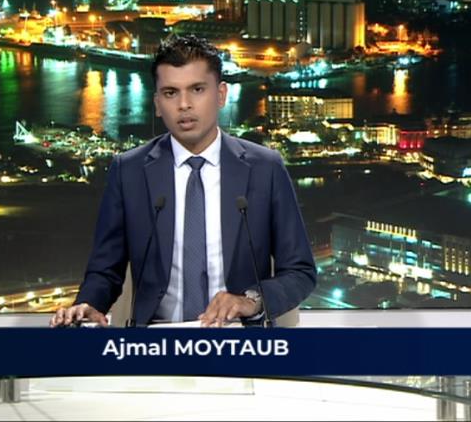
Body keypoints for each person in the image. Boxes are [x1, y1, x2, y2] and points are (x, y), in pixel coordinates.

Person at [50, 35, 316, 328]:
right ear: (157, 103)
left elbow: (300, 272)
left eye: (197, 89)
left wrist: (250, 301)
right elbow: (105, 271)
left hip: (241, 340)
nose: (184, 104)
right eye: (170, 93)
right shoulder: (129, 171)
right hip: (155, 343)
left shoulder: (265, 168)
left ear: (221, 95)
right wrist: (88, 304)